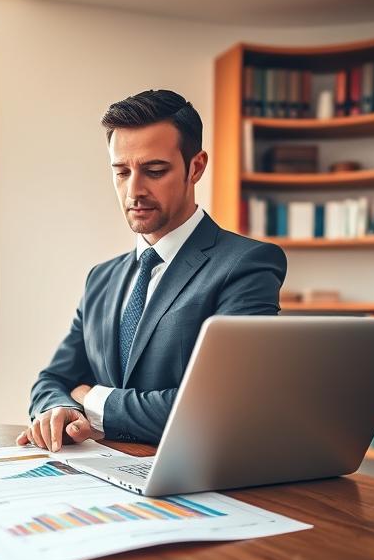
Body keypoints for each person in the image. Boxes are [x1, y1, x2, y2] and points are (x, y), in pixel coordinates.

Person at [17, 89, 286, 451]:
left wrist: (92, 399)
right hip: (98, 481)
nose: (134, 191)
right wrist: (61, 407)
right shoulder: (101, 278)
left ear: (196, 167)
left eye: (154, 171)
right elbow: (53, 380)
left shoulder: (247, 264)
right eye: (121, 172)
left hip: (196, 490)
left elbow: (221, 410)